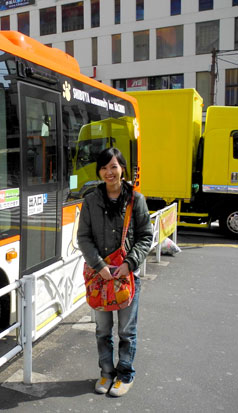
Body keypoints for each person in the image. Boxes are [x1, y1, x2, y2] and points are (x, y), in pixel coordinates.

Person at [77, 147, 152, 397]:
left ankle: (125, 374)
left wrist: (128, 263)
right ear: (99, 171)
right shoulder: (90, 200)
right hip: (100, 278)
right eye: (104, 167)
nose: (109, 172)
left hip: (128, 277)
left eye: (114, 166)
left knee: (126, 331)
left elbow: (145, 237)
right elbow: (84, 238)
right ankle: (106, 373)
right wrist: (100, 266)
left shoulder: (136, 200)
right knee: (102, 330)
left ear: (122, 169)